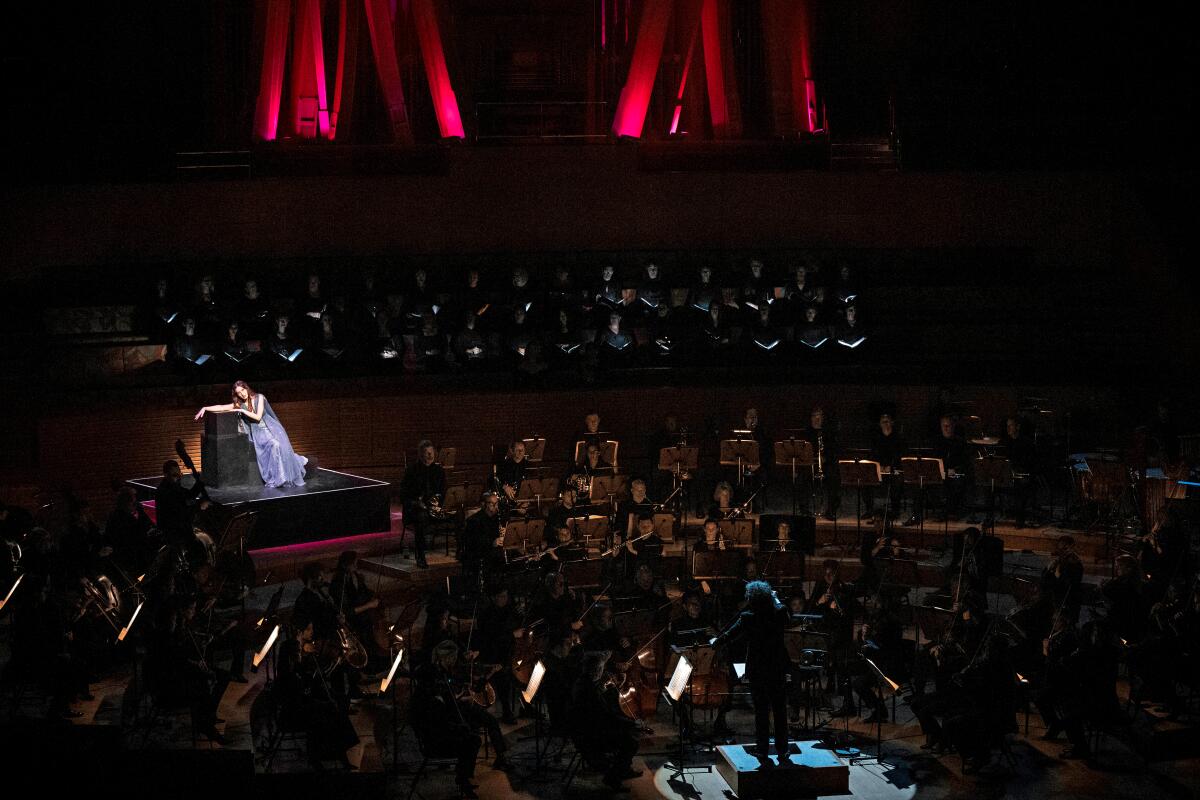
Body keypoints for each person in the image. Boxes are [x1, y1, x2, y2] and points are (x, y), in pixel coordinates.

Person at [710, 580, 792, 763]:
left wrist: (716, 641)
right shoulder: (778, 612)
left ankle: (762, 750)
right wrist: (775, 597)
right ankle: (783, 749)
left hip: (757, 670)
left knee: (761, 711)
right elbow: (785, 613)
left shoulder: (748, 617)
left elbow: (730, 634)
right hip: (777, 668)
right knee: (779, 710)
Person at [195, 381, 309, 488]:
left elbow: (258, 416)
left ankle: (291, 467)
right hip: (258, 433)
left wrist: (242, 411)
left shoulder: (259, 397)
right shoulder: (239, 404)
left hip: (271, 428)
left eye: (243, 390)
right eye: (238, 393)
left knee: (279, 446)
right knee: (274, 445)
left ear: (246, 388)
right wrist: (205, 408)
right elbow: (221, 407)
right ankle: (280, 478)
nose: (242, 394)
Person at [411, 641, 485, 797]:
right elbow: (437, 722)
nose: (454, 662)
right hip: (434, 742)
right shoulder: (431, 694)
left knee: (470, 732)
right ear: (445, 659)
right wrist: (458, 727)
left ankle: (463, 777)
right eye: (452, 659)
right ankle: (463, 778)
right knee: (473, 740)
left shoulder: (432, 684)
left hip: (436, 733)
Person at [568, 651, 642, 790]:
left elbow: (600, 705)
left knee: (627, 732)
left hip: (583, 729)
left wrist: (610, 687)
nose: (604, 672)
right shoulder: (589, 690)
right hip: (590, 736)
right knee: (631, 741)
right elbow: (608, 717)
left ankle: (622, 770)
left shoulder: (582, 682)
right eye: (602, 668)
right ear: (597, 670)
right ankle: (613, 777)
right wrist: (632, 723)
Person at [400, 439, 447, 568]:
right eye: (427, 453)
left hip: (435, 507)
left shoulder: (439, 471)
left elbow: (444, 491)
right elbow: (403, 496)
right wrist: (416, 502)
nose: (430, 455)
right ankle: (420, 555)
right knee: (421, 518)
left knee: (459, 514)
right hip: (416, 509)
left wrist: (439, 503)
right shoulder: (411, 471)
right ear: (421, 455)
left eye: (431, 452)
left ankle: (462, 552)